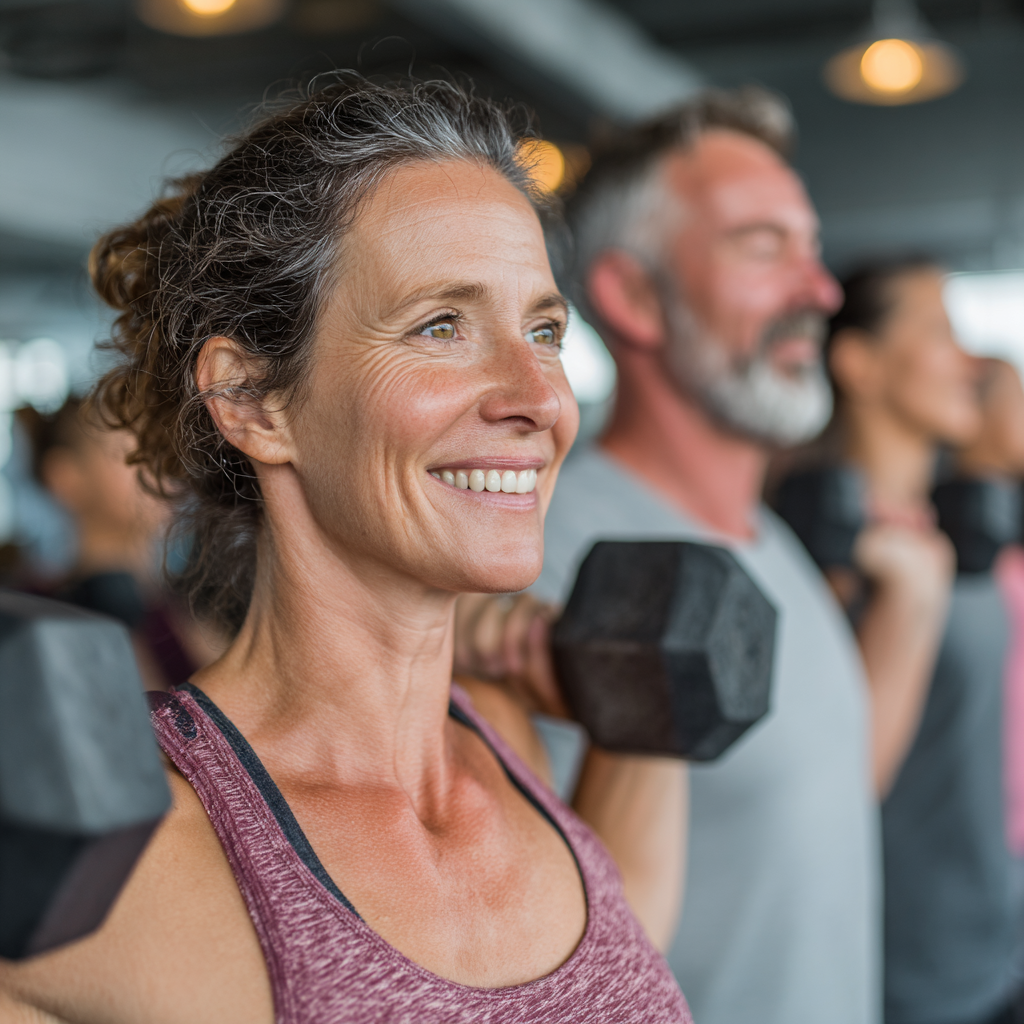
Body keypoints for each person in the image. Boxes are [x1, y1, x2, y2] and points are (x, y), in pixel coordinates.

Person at [0, 77, 690, 1023]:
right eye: (440, 326)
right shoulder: (138, 859)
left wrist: (635, 719)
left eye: (544, 329)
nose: (539, 394)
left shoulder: (510, 744)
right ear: (251, 400)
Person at [455, 89, 954, 1024]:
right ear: (634, 296)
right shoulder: (534, 563)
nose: (821, 290)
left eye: (810, 248)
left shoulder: (777, 551)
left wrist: (913, 609)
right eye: (764, 248)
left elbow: (826, 797)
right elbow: (524, 964)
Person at [826, 262, 1018, 1024]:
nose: (971, 363)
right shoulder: (835, 556)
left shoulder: (950, 530)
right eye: (939, 333)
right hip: (915, 972)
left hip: (998, 937)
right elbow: (839, 783)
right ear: (858, 364)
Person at [16, 398, 221, 689]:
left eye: (162, 449)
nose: (160, 466)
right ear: (65, 477)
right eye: (132, 452)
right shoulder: (38, 616)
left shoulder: (180, 611)